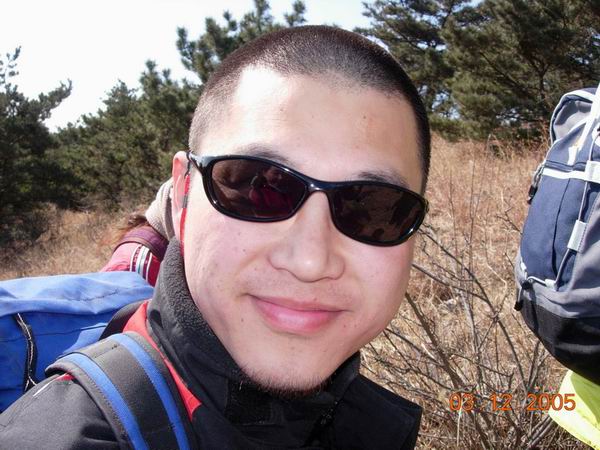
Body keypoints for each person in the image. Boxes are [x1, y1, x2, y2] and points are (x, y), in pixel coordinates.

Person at [0, 25, 430, 449]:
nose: (310, 260)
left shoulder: (363, 422)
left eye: (373, 205)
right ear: (182, 193)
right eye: (255, 185)